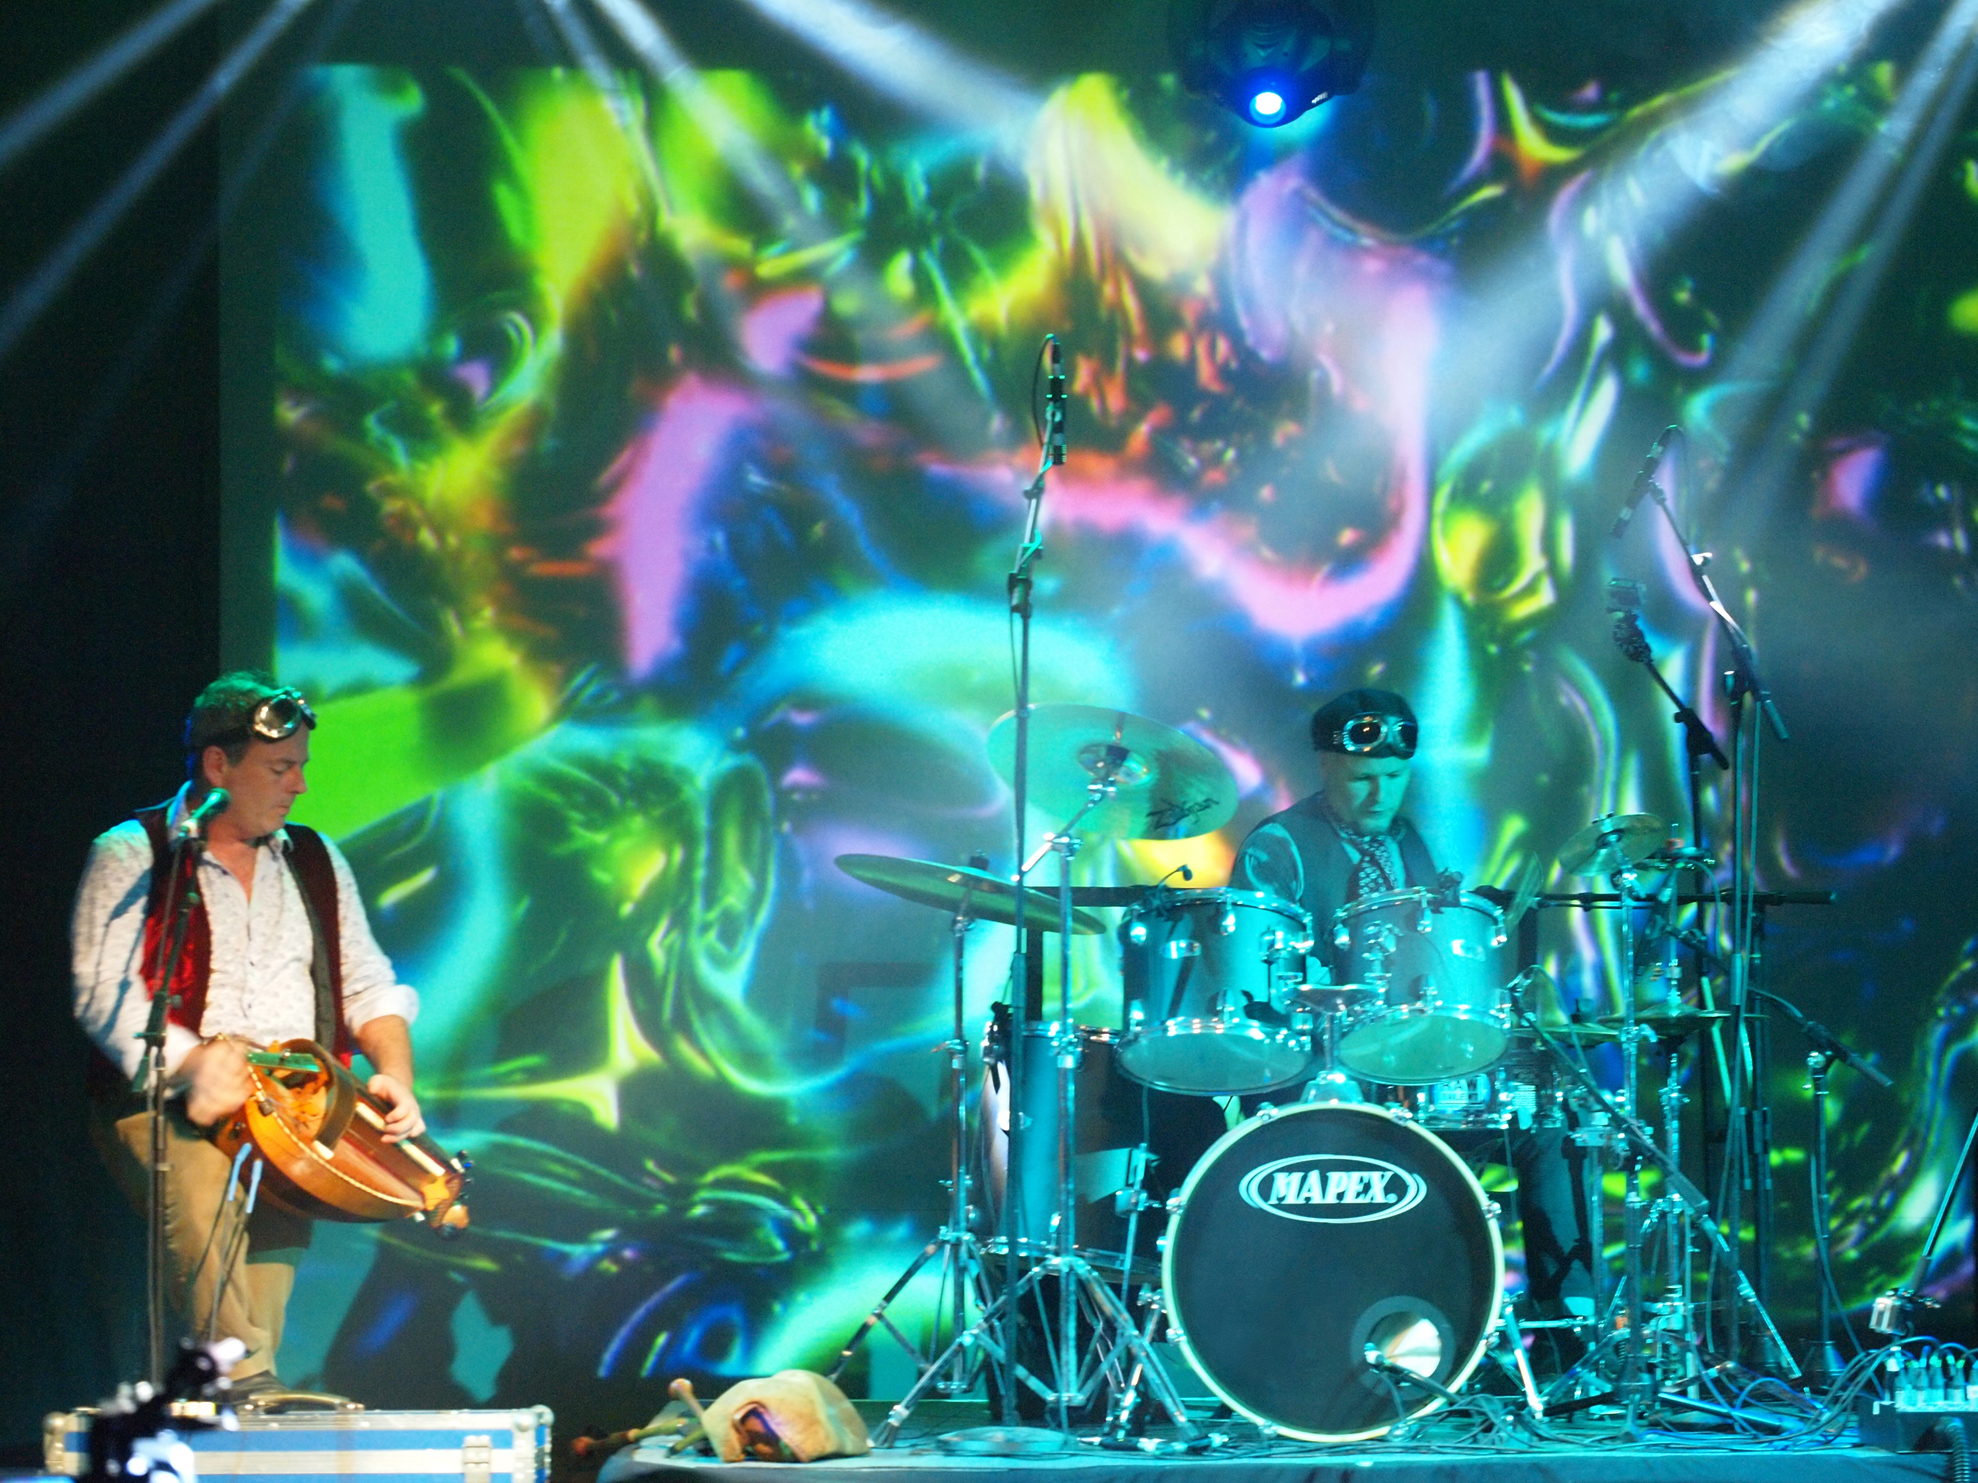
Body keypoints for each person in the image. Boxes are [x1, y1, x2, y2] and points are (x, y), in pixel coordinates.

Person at [71, 672, 423, 1398]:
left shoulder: (316, 858)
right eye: (280, 767)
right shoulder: (134, 852)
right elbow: (102, 990)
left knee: (263, 1284)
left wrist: (395, 1072)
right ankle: (246, 1382)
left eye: (300, 766)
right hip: (168, 1099)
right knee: (201, 1194)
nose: (299, 785)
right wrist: (194, 1063)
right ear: (218, 765)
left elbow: (367, 982)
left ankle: (237, 1402)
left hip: (290, 1108)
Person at [1230, 688, 1596, 1329]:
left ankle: (1572, 1332)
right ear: (1325, 766)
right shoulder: (1278, 847)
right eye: (1363, 778)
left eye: (1395, 777)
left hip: (1414, 1076)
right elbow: (1258, 990)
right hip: (1323, 1083)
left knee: (1551, 1132)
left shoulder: (1409, 843)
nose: (1382, 795)